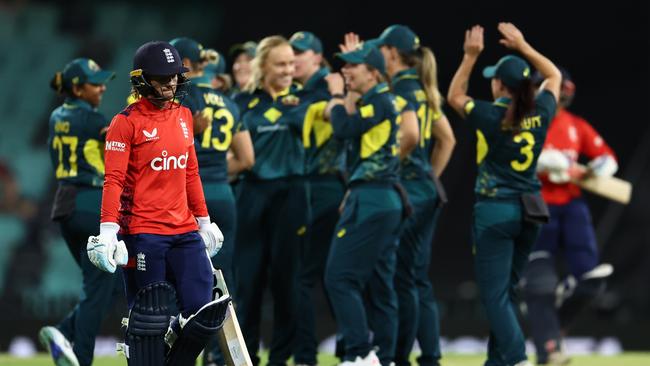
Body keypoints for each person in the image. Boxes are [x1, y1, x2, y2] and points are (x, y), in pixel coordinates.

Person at [85, 41, 228, 366]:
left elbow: (190, 172)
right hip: (143, 232)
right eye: (162, 77)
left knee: (204, 311)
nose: (170, 82)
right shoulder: (125, 122)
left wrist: (204, 221)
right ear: (142, 79)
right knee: (149, 317)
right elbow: (114, 180)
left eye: (175, 75)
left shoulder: (184, 116)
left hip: (185, 230)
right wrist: (108, 230)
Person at [447, 23, 561, 366]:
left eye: (495, 77)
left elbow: (454, 96)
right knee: (507, 293)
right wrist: (524, 46)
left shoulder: (492, 114)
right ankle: (498, 361)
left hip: (496, 210)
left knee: (495, 297)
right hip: (529, 212)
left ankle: (515, 359)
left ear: (499, 85)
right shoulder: (540, 110)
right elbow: (553, 74)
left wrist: (469, 57)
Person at [367, 24, 456, 366]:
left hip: (407, 191)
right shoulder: (422, 88)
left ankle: (398, 356)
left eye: (382, 51)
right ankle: (430, 356)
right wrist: (430, 175)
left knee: (397, 277)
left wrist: (384, 166)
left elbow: (411, 136)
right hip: (427, 190)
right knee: (417, 278)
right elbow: (447, 139)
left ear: (391, 52)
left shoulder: (400, 90)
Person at [170, 36, 255, 366]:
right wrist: (218, 175)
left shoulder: (179, 97)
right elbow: (247, 158)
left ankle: (181, 352)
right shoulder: (229, 102)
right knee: (224, 278)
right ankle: (221, 357)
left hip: (186, 195)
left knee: (181, 275)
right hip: (222, 193)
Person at [523, 68, 617, 365]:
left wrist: (596, 170)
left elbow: (607, 159)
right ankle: (548, 350)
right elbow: (518, 157)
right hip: (536, 204)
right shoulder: (524, 121)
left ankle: (558, 320)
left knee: (592, 281)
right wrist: (552, 162)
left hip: (572, 206)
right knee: (540, 286)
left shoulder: (576, 125)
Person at [323, 41, 405, 366]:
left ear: (373, 72)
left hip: (372, 198)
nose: (344, 70)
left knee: (339, 278)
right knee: (378, 283)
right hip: (379, 197)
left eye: (352, 65)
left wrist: (335, 96)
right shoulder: (378, 98)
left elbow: (343, 127)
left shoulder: (381, 101)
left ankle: (360, 353)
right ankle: (383, 356)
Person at [232, 35, 310, 366]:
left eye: (292, 63)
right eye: (281, 64)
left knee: (286, 282)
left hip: (291, 195)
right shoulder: (239, 103)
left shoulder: (303, 103)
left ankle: (280, 358)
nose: (289, 70)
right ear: (262, 66)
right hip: (251, 194)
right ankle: (246, 357)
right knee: (247, 282)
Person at [39, 58, 122, 366]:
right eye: (95, 83)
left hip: (65, 204)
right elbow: (120, 144)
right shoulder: (91, 119)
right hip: (92, 203)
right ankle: (80, 357)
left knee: (102, 285)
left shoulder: (55, 116)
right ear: (76, 87)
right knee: (100, 285)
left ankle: (62, 334)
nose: (102, 88)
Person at [289, 30, 346, 366]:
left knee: (316, 277)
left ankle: (312, 355)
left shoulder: (327, 87)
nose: (295, 59)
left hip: (327, 188)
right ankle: (352, 350)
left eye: (301, 53)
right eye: (291, 53)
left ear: (317, 57)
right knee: (327, 277)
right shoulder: (301, 90)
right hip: (313, 188)